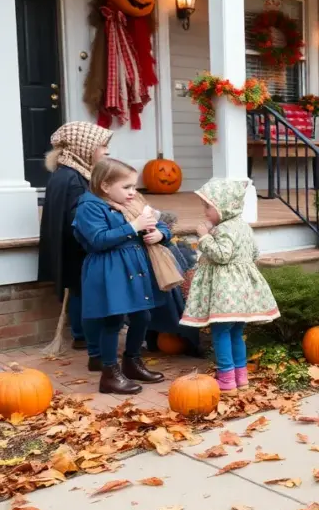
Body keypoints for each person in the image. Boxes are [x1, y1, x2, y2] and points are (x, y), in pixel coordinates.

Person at [72, 158, 168, 395]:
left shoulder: (131, 203)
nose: (132, 192)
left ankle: (132, 362)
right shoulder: (89, 207)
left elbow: (160, 224)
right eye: (127, 187)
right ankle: (109, 374)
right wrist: (133, 227)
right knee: (113, 321)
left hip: (134, 268)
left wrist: (161, 234)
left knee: (142, 316)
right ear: (105, 186)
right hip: (109, 269)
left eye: (134, 187)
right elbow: (98, 240)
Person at [181, 179, 280, 395]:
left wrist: (204, 237)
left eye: (208, 206)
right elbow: (254, 254)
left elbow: (222, 255)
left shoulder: (223, 229)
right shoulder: (243, 227)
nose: (205, 211)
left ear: (224, 206)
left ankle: (226, 380)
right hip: (241, 292)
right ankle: (241, 377)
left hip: (226, 293)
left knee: (220, 332)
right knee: (236, 333)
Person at [38, 122, 113, 365]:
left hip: (70, 247)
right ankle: (83, 336)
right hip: (77, 248)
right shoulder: (73, 179)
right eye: (102, 146)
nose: (107, 152)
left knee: (79, 288)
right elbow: (79, 219)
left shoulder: (69, 173)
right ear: (84, 147)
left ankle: (82, 334)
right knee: (83, 290)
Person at [145, 211, 203, 358]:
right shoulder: (172, 246)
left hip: (152, 292)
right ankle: (191, 345)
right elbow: (184, 270)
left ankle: (152, 342)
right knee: (178, 313)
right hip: (171, 288)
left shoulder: (142, 247)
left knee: (151, 317)